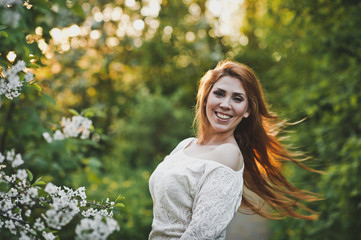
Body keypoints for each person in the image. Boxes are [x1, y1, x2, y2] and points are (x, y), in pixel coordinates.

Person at [148, 60, 319, 239]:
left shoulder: (227, 155)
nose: (225, 104)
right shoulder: (185, 145)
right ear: (206, 97)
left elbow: (200, 236)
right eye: (219, 94)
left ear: (247, 110)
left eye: (237, 98)